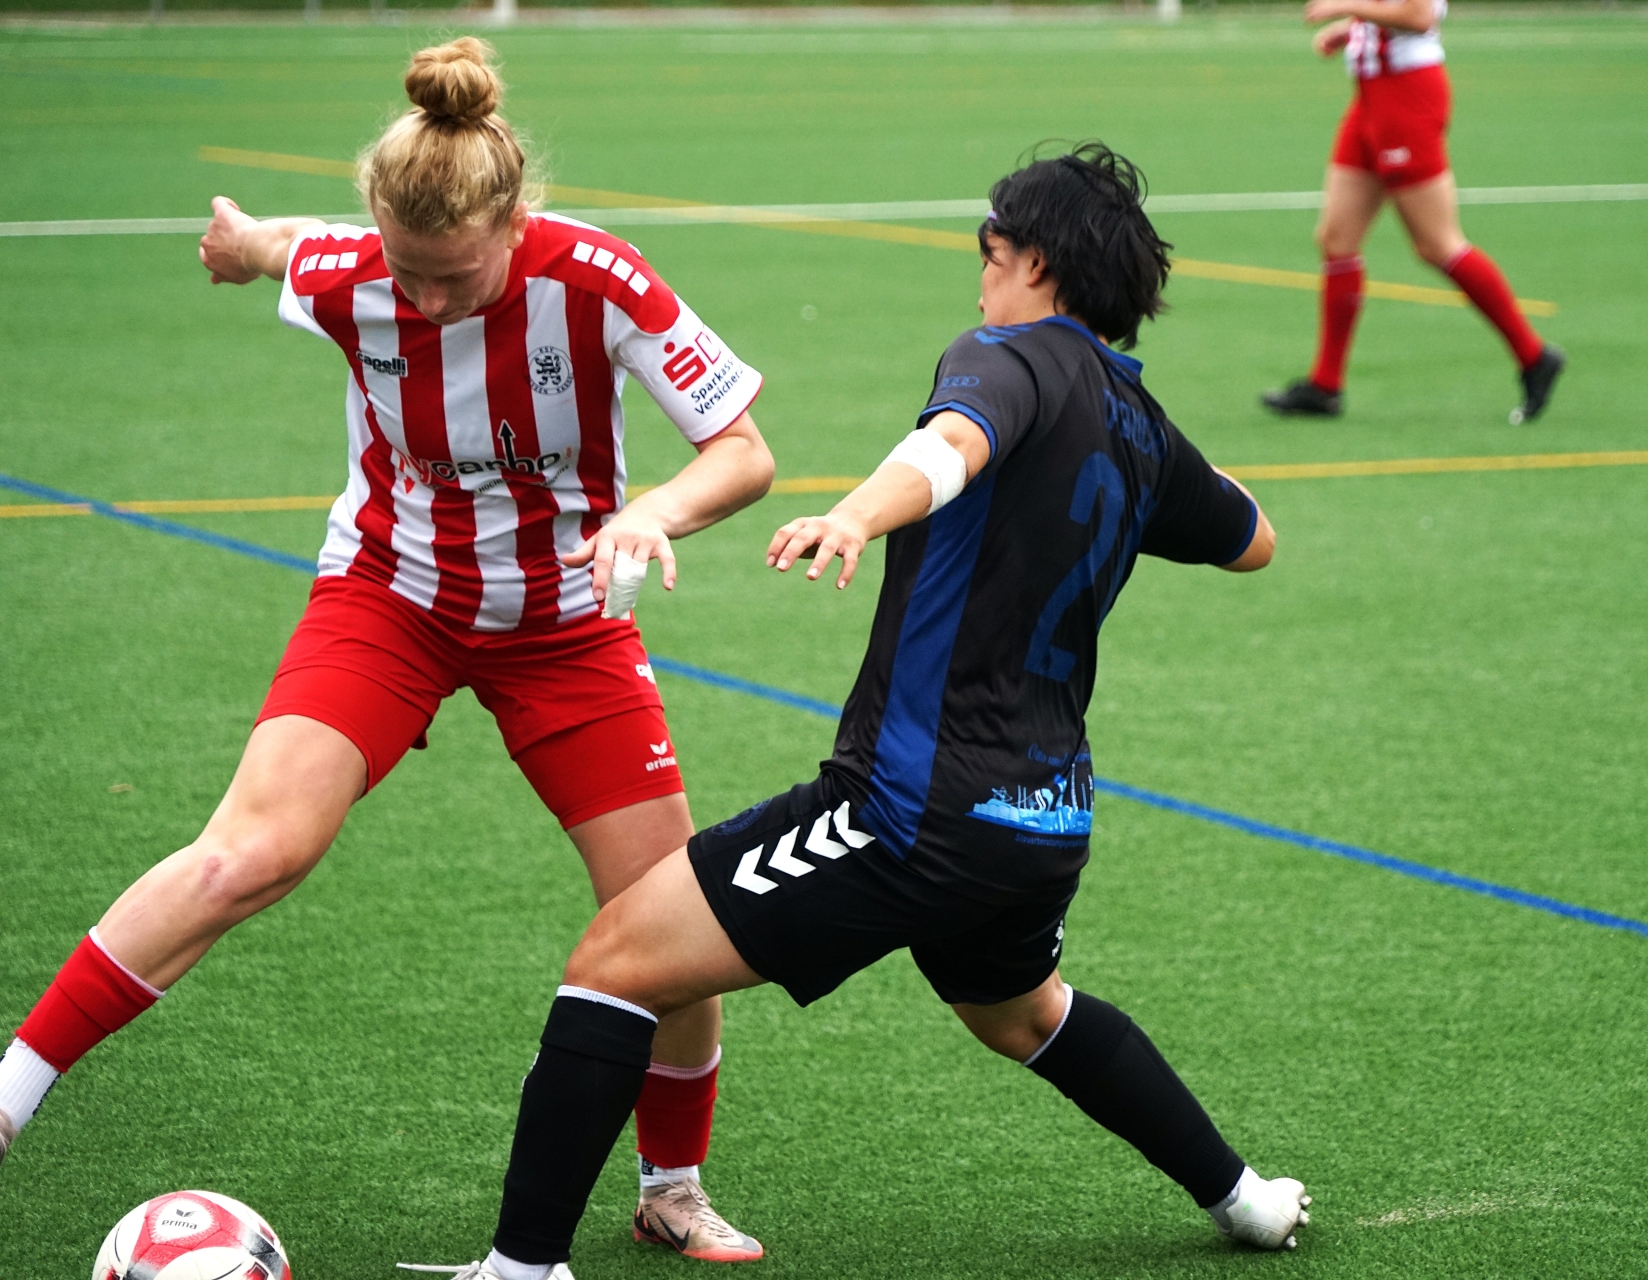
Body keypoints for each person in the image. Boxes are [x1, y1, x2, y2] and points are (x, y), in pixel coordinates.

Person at [436, 144, 1309, 1280]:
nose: (980, 276)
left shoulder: (1003, 355)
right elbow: (1253, 539)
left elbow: (953, 443)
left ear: (1037, 265)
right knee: (1022, 1014)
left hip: (913, 808)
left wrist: (854, 512)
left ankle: (521, 1268)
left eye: (990, 252)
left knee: (614, 960)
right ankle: (1245, 1199)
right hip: (1044, 820)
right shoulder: (1136, 420)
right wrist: (1154, 460)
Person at [0, 37, 771, 1265]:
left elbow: (744, 450)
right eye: (407, 274)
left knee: (673, 919)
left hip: (565, 628)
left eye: (455, 276)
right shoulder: (353, 270)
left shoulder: (599, 279)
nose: (428, 302)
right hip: (389, 599)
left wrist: (652, 514)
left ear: (513, 223)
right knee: (248, 854)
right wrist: (235, 241)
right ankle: (8, 1095)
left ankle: (670, 1186)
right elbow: (280, 246)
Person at [1263, 0, 1567, 424]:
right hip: (1373, 96)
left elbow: (1420, 15)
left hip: (1406, 98)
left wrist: (1347, 6)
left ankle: (1534, 356)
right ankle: (1325, 385)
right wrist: (1356, 29)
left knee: (1438, 244)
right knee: (1337, 239)